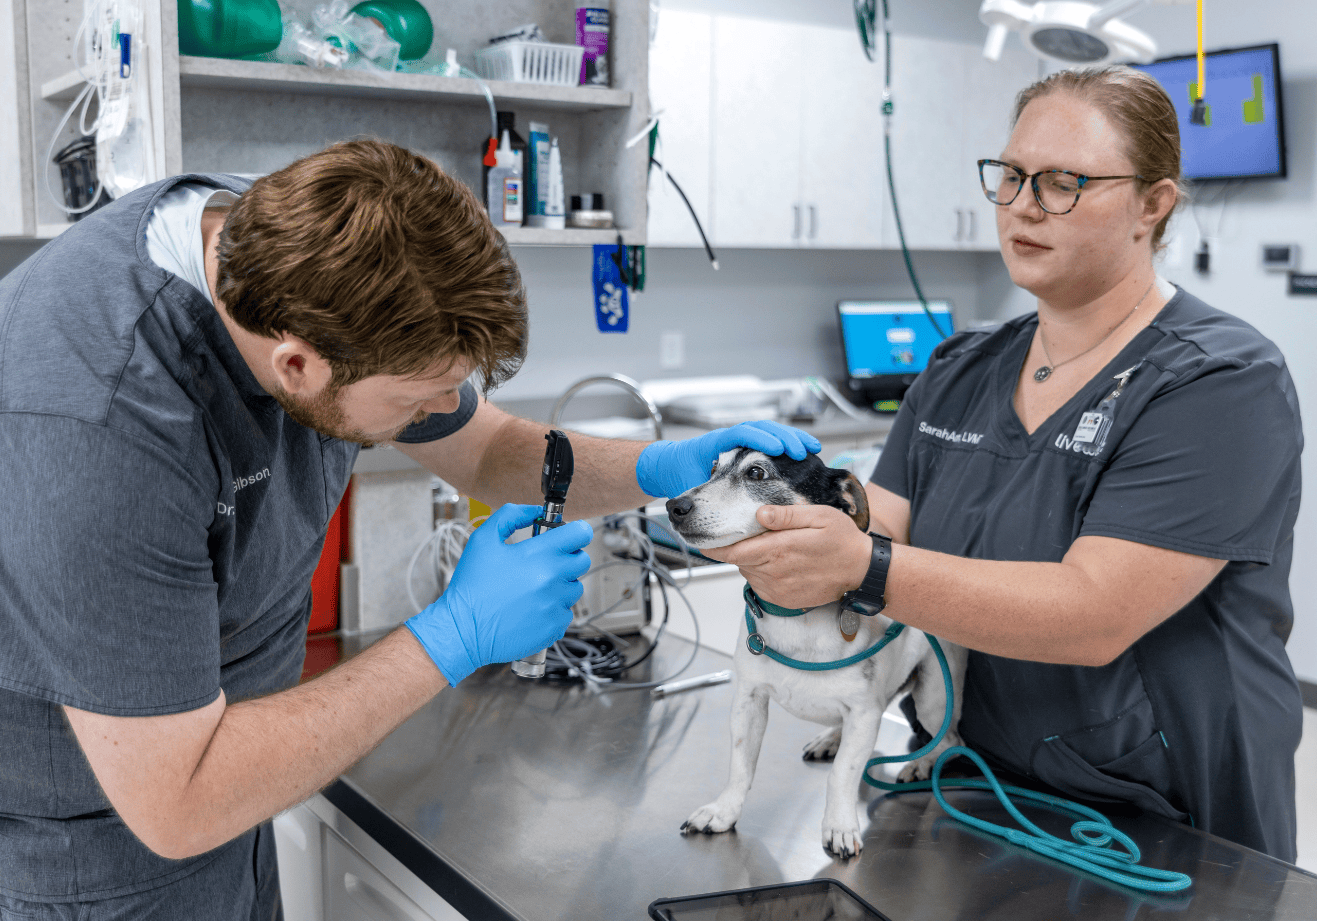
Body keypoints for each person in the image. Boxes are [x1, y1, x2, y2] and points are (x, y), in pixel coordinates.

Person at [0, 138, 819, 917]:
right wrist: (452, 634)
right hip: (84, 855)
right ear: (297, 364)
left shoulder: (292, 249)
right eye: (417, 398)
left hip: (232, 796)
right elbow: (179, 800)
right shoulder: (97, 424)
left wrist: (654, 469)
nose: (438, 414)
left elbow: (488, 448)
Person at [706, 66, 1304, 862]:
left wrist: (858, 564)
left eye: (1063, 182)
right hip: (972, 778)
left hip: (1158, 812)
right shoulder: (960, 366)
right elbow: (879, 519)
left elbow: (1092, 613)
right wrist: (783, 521)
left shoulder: (1219, 383)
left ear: (1151, 205)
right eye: (1013, 175)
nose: (1023, 204)